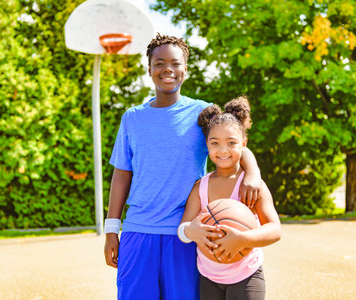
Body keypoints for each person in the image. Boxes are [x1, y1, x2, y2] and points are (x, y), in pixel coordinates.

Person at [104, 34, 262, 300]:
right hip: (138, 231)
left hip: (188, 233)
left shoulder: (202, 114)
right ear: (149, 69)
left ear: (185, 70)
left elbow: (232, 144)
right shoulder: (132, 118)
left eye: (175, 63)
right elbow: (122, 174)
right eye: (159, 63)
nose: (168, 69)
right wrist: (111, 229)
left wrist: (253, 173)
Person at [178, 96, 282, 300]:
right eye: (215, 143)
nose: (223, 150)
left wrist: (243, 239)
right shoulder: (200, 186)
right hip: (207, 276)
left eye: (231, 143)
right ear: (207, 144)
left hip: (246, 275)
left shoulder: (252, 185)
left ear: (244, 143)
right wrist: (191, 231)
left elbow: (275, 230)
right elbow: (183, 230)